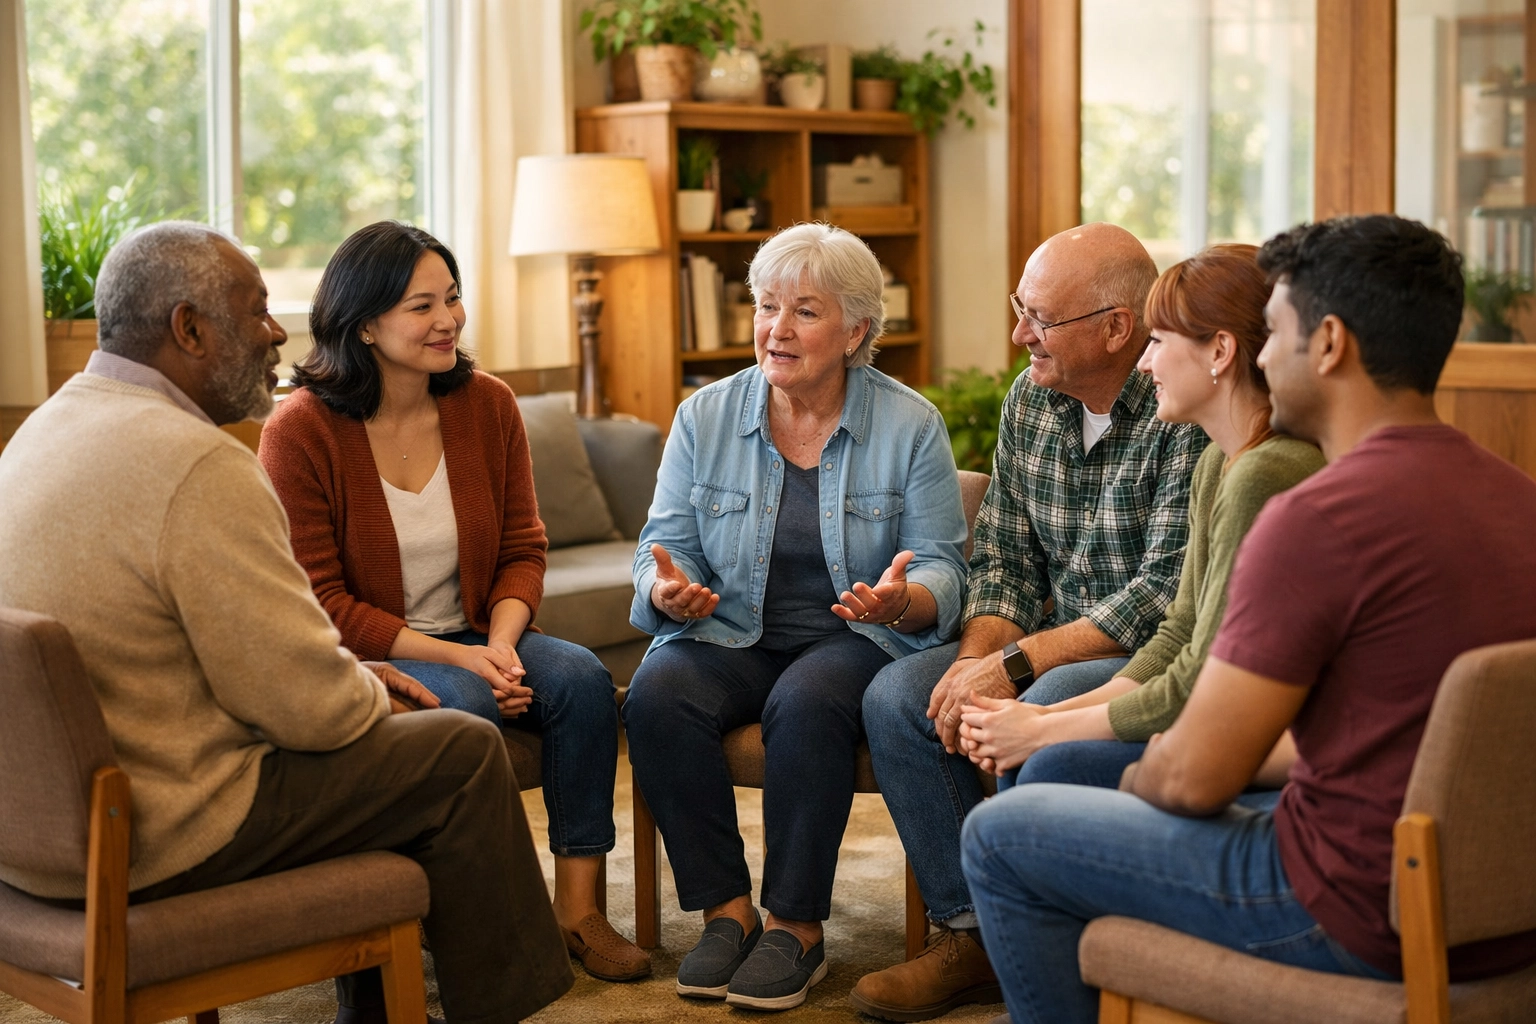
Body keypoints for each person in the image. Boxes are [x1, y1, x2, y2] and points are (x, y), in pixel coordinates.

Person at [961, 214, 1536, 1024]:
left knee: (1005, 832)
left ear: (1328, 344)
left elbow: (1195, 777)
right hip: (1501, 909)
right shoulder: (1518, 496)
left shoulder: (1316, 515)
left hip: (1349, 902)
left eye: (1275, 333)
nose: (1261, 355)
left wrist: (1136, 776)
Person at [0, 221, 573, 1024]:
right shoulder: (199, 465)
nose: (278, 331)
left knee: (399, 741)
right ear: (189, 328)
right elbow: (313, 711)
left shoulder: (40, 433)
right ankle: (508, 1006)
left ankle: (375, 1003)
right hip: (171, 822)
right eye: (257, 309)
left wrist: (352, 676)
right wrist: (377, 690)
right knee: (457, 749)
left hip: (40, 839)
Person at [257, 221, 647, 983]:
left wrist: (500, 642)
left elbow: (522, 550)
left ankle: (577, 909)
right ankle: (472, 915)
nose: (449, 320)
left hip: (480, 629)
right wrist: (464, 659)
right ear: (364, 323)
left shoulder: (487, 405)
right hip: (373, 656)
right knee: (464, 705)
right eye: (420, 306)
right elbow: (323, 601)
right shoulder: (299, 429)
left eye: (454, 298)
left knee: (582, 681)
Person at [853, 223, 1208, 1021]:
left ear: (1118, 328)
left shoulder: (1184, 404)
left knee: (1038, 710)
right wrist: (970, 661)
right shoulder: (1031, 397)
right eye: (1021, 310)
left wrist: (1011, 669)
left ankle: (1048, 945)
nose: (1019, 335)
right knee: (899, 695)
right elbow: (1006, 557)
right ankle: (972, 934)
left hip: (1145, 653)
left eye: (1039, 318)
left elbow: (1161, 596)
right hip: (1048, 638)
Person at [622, 223, 969, 1012]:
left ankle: (795, 926)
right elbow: (661, 545)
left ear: (855, 331)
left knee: (805, 703)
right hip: (729, 629)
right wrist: (666, 591)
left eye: (805, 312)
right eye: (766, 306)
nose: (777, 329)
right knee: (656, 695)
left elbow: (943, 565)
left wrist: (903, 600)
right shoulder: (704, 417)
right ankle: (725, 913)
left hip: (854, 636)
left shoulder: (911, 425)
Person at [957, 244, 1324, 792]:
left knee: (1041, 766)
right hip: (1194, 701)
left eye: (1156, 341)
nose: (1146, 361)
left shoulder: (1261, 473)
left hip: (1265, 752)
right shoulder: (1220, 464)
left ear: (1220, 352)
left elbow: (1197, 668)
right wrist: (1035, 717)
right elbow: (1181, 635)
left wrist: (1045, 727)